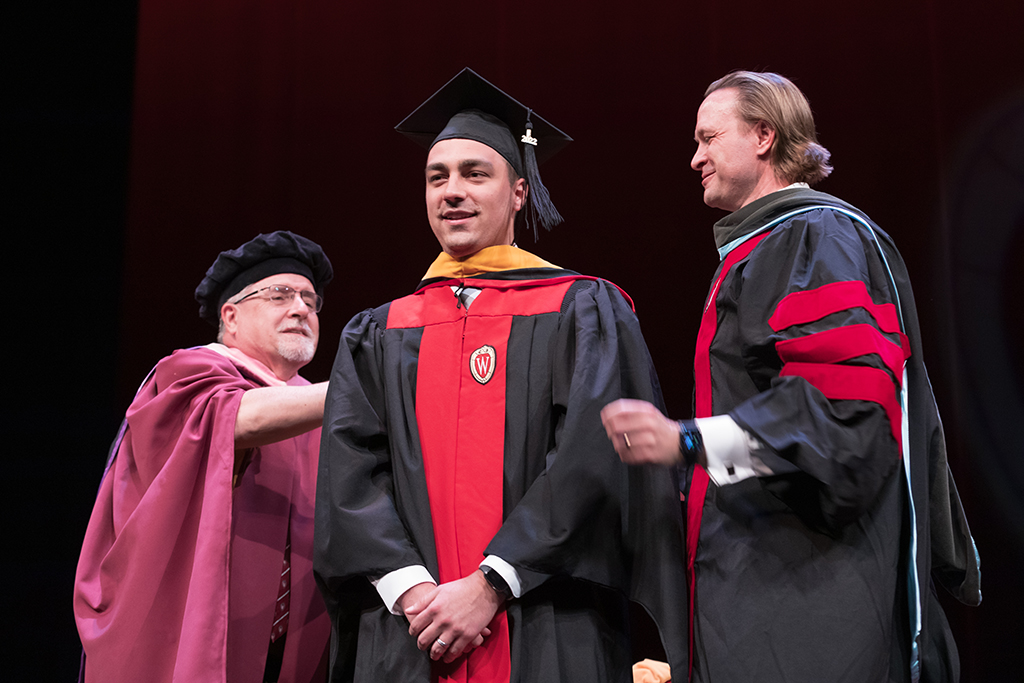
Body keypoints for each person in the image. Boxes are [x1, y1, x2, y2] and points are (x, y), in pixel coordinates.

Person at [601, 71, 982, 682]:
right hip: (766, 590)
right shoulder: (765, 247)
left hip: (809, 596)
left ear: (762, 135)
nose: (695, 156)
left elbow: (846, 412)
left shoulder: (812, 236)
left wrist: (690, 441)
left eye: (708, 137)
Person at [314, 68, 687, 683]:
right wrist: (416, 596)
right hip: (413, 632)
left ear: (518, 191)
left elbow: (593, 460)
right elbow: (349, 475)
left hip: (546, 621)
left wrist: (491, 584)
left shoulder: (581, 308)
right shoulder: (379, 332)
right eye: (438, 177)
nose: (452, 191)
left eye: (474, 173)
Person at [74, 231, 333, 683]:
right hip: (186, 634)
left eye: (310, 301)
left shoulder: (312, 404)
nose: (301, 309)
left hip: (288, 653)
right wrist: (358, 388)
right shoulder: (188, 373)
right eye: (280, 294)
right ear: (230, 315)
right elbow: (232, 418)